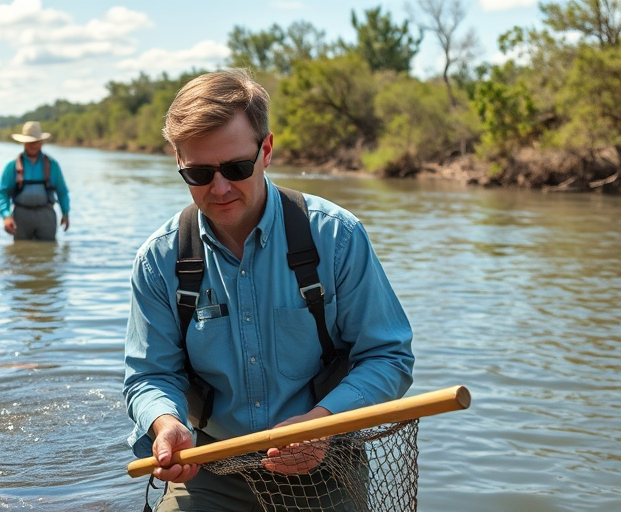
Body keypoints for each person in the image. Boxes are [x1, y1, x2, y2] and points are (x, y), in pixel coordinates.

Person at [123, 69, 415, 511]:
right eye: (199, 173)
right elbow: (149, 375)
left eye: (236, 168)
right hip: (211, 467)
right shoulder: (158, 260)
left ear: (267, 150)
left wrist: (322, 422)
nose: (220, 188)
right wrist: (165, 424)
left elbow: (389, 356)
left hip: (329, 461)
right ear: (179, 163)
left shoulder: (337, 237)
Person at [0, 121, 70, 241]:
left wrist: (65, 213)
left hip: (46, 214)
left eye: (35, 142)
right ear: (23, 143)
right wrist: (6, 216)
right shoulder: (12, 166)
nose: (33, 145)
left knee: (48, 249)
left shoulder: (52, 164)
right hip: (21, 215)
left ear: (41, 142)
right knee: (20, 250)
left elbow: (62, 191)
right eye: (29, 142)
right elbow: (3, 193)